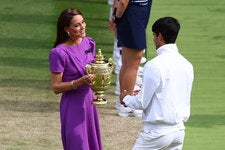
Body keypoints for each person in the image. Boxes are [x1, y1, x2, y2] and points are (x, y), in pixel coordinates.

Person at [120, 17, 194, 149]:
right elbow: (171, 90)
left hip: (157, 133)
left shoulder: (154, 65)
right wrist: (145, 90)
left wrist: (125, 98)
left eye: (154, 35)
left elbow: (141, 103)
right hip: (179, 132)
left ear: (159, 36)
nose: (153, 39)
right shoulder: (187, 65)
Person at [48, 8, 102, 150]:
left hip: (89, 103)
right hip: (72, 106)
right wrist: (78, 82)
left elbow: (94, 67)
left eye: (83, 22)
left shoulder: (89, 43)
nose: (83, 26)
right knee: (78, 144)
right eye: (77, 25)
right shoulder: (58, 53)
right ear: (67, 29)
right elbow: (55, 87)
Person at [109, 0, 153, 117]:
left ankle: (123, 102)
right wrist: (116, 19)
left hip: (135, 14)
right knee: (133, 63)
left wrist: (115, 17)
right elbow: (122, 2)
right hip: (133, 14)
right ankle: (127, 104)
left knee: (128, 62)